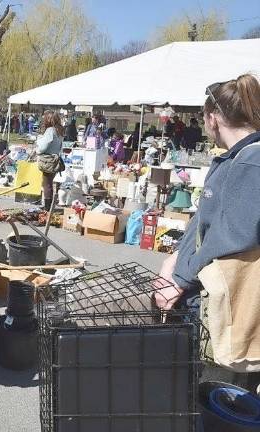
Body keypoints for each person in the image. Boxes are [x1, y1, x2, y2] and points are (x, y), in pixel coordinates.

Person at [154, 74, 260, 388]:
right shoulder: (236, 157)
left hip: (220, 300)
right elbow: (204, 222)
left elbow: (228, 238)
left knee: (209, 389)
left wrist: (181, 280)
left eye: (203, 120)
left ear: (213, 118)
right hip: (205, 288)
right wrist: (175, 257)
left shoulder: (250, 163)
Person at [34, 110, 63, 209]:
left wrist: (38, 148)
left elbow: (43, 146)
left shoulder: (50, 130)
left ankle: (47, 207)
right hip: (55, 158)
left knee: (46, 184)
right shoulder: (58, 130)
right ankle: (49, 206)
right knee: (49, 183)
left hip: (48, 159)